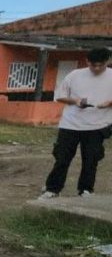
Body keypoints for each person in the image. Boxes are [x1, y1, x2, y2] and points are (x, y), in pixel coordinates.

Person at [40, 47, 112, 198]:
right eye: (93, 65)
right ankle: (52, 189)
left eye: (101, 65)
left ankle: (85, 190)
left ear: (108, 61)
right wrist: (76, 101)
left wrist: (109, 103)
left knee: (91, 160)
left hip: (97, 126)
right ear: (87, 62)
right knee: (62, 158)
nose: (97, 68)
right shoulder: (75, 75)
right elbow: (60, 97)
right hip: (70, 124)